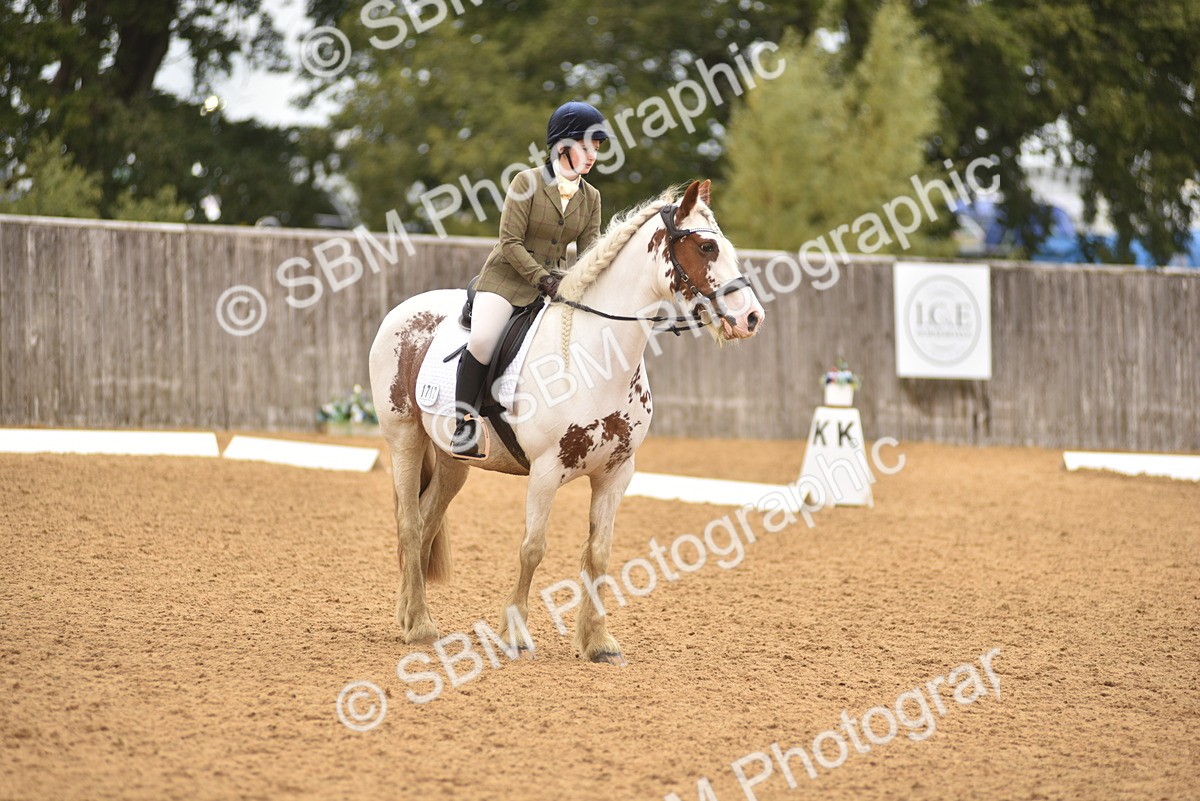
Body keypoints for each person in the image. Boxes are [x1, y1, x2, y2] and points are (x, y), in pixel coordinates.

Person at [451, 101, 609, 458]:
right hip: (507, 279)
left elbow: (589, 252)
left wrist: (588, 284)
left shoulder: (592, 198)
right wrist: (543, 279)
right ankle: (463, 423)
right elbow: (509, 242)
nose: (592, 156)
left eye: (595, 149)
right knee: (484, 340)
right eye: (585, 147)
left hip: (555, 285)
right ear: (562, 147)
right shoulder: (527, 182)